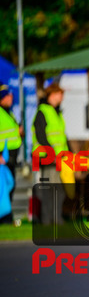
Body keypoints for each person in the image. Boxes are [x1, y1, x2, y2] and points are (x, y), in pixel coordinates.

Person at [31, 83, 70, 224]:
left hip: (58, 158)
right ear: (52, 95)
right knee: (50, 189)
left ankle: (54, 218)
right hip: (48, 158)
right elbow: (41, 136)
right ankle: (49, 219)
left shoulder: (56, 112)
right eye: (60, 94)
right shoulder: (43, 111)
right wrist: (51, 153)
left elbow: (62, 137)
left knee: (58, 189)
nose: (62, 97)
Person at [0, 82, 23, 223]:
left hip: (10, 157)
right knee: (4, 188)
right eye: (7, 95)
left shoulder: (9, 112)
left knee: (9, 185)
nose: (11, 97)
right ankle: (5, 218)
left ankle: (6, 216)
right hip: (2, 157)